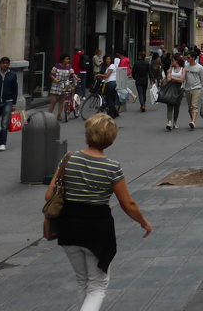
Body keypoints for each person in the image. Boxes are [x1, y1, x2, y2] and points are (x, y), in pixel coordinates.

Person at [46, 114, 153, 311]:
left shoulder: (68, 159)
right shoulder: (112, 168)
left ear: (88, 136)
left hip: (68, 228)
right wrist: (143, 222)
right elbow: (127, 203)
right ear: (110, 140)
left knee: (82, 281)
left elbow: (49, 196)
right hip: (97, 231)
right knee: (97, 286)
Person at [48, 54, 77, 121]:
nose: (67, 61)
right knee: (54, 101)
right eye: (66, 59)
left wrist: (76, 77)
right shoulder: (56, 66)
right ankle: (49, 115)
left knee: (61, 100)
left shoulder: (69, 67)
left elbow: (72, 73)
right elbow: (52, 74)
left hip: (65, 85)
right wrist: (54, 79)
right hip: (56, 84)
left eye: (68, 59)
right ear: (62, 60)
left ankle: (59, 115)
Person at [182, 50, 203, 130]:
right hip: (187, 89)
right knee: (190, 107)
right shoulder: (186, 66)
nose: (187, 58)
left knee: (194, 105)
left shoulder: (199, 67)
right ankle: (192, 120)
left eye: (188, 57)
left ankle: (193, 121)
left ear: (193, 58)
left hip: (196, 88)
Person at [164, 55, 185, 131]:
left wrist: (173, 78)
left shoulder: (182, 69)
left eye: (172, 60)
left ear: (176, 61)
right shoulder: (170, 69)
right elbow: (168, 79)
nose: (171, 62)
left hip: (179, 89)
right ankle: (169, 122)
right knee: (169, 105)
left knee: (177, 106)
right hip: (171, 89)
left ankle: (175, 122)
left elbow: (181, 80)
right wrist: (176, 78)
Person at [95, 55, 119, 119]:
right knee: (109, 98)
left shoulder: (112, 66)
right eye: (106, 59)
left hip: (111, 83)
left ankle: (112, 114)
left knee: (109, 99)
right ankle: (115, 112)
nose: (107, 60)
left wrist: (99, 74)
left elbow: (107, 75)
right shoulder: (107, 67)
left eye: (108, 59)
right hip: (108, 83)